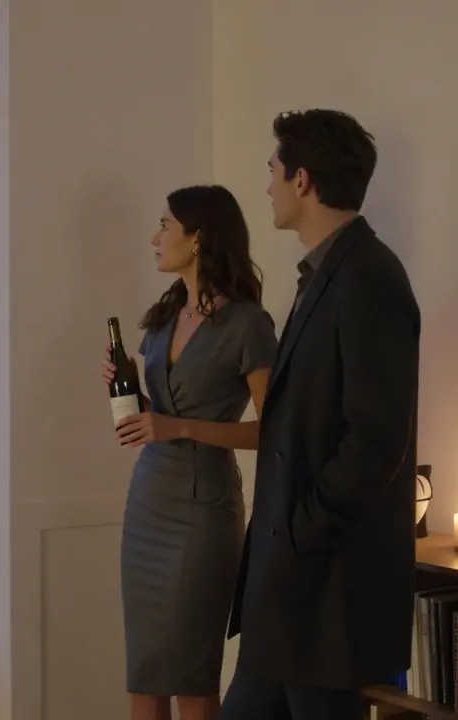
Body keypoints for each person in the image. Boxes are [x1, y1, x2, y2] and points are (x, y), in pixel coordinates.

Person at [220, 110, 421, 719]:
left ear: (302, 179)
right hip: (288, 594)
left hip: (327, 597)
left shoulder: (370, 276)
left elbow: (375, 439)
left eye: (273, 172)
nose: (268, 188)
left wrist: (300, 534)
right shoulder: (328, 272)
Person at [101, 184, 279, 720]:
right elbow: (161, 415)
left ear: (198, 238)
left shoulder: (247, 323)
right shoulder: (165, 315)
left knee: (193, 679)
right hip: (149, 503)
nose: (154, 238)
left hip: (203, 512)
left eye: (165, 226)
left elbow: (275, 432)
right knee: (146, 675)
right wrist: (134, 400)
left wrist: (175, 425)